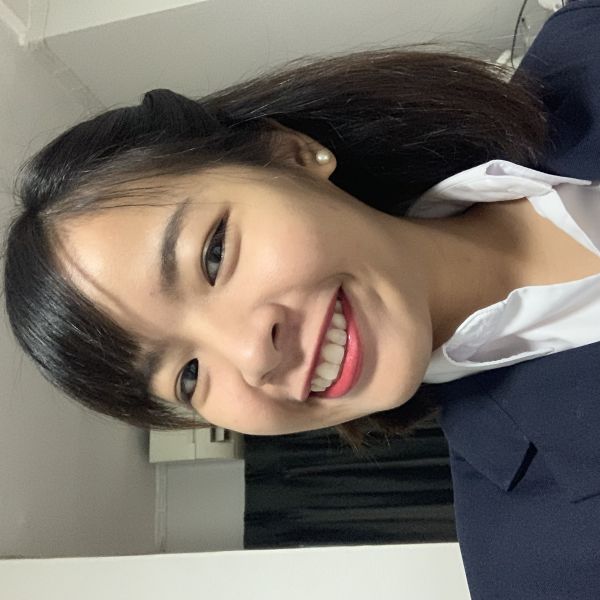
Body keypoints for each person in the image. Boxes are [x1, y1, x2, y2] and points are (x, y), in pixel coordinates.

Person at [3, 0, 600, 596]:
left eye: (213, 254)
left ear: (290, 154)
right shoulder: (543, 566)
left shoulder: (583, 41)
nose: (251, 356)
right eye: (188, 377)